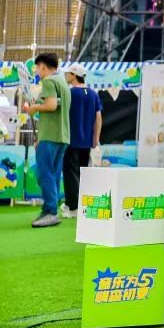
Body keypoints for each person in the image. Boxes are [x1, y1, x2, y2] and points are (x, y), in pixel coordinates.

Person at [22, 53, 72, 228]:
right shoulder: (62, 82)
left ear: (43, 66)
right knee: (53, 174)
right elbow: (56, 105)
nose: (36, 71)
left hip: (50, 135)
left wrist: (34, 108)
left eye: (37, 67)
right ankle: (50, 210)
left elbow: (51, 106)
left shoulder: (49, 81)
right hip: (62, 136)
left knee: (44, 174)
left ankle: (50, 211)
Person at [60, 63, 102, 219]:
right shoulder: (93, 94)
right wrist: (96, 138)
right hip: (87, 143)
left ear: (74, 75)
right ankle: (78, 204)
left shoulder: (69, 93)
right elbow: (98, 118)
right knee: (82, 174)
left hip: (71, 140)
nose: (66, 76)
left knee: (70, 174)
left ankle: (73, 207)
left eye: (68, 74)